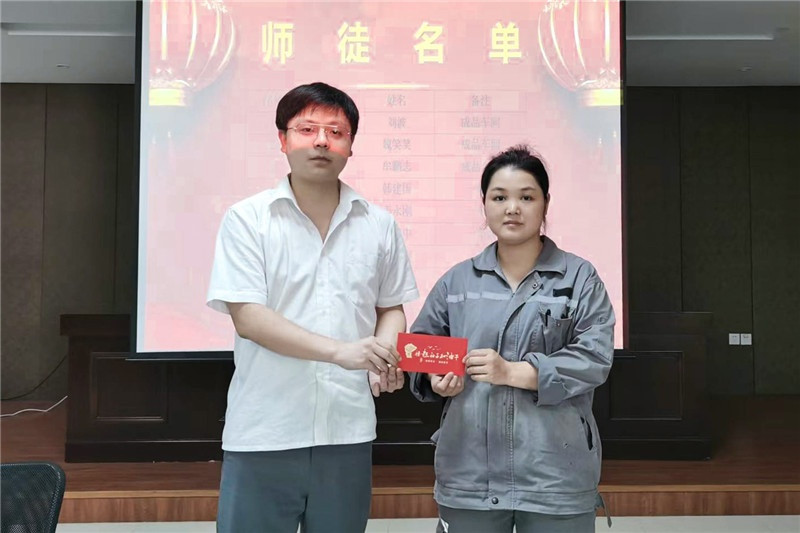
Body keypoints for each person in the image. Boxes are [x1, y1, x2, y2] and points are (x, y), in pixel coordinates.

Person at [207, 82, 418, 533]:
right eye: (307, 129)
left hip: (347, 429)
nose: (322, 141)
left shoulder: (379, 224)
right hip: (265, 430)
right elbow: (248, 318)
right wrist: (341, 352)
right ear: (282, 140)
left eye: (336, 132)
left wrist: (383, 355)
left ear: (351, 146)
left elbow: (391, 307)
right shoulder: (248, 219)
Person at [409, 145, 615, 533]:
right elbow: (422, 346)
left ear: (545, 203)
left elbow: (594, 357)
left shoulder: (579, 278)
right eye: (500, 197)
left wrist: (513, 372)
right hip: (470, 474)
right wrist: (435, 377)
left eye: (526, 197)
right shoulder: (458, 281)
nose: (512, 209)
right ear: (484, 204)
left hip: (555, 474)